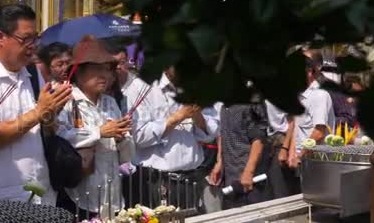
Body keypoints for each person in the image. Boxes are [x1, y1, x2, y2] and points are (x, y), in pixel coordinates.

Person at [0, 4, 72, 204]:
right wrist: (38, 112)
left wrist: (52, 112)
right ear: (1, 37)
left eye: (35, 38)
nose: (33, 45)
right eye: (25, 39)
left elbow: (45, 128)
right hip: (1, 197)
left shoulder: (31, 73)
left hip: (40, 191)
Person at [56, 35, 133, 219]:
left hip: (111, 193)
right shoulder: (65, 100)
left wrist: (122, 139)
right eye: (97, 69)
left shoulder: (110, 103)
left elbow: (127, 156)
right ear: (79, 72)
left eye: (107, 70)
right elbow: (60, 136)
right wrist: (99, 132)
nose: (105, 75)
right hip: (79, 195)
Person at [132, 63, 220, 213]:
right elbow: (139, 136)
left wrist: (197, 115)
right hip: (158, 181)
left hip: (192, 179)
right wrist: (177, 117)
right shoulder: (141, 86)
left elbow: (212, 133)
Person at [210, 87, 271, 209]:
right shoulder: (224, 106)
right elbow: (225, 134)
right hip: (231, 179)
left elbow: (258, 139)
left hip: (250, 181)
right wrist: (220, 162)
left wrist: (249, 171)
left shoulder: (252, 102)